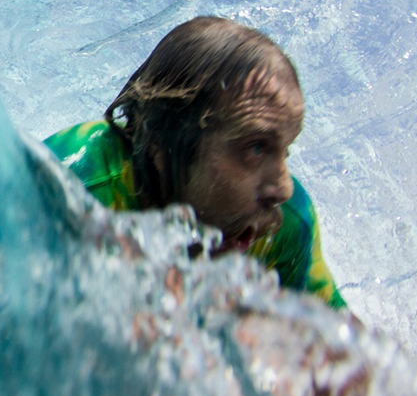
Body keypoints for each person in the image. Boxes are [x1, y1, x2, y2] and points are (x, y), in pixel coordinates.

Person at [43, 16, 348, 310]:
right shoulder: (69, 197)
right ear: (160, 144)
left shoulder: (283, 226)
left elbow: (344, 352)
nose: (282, 188)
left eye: (285, 150)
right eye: (255, 148)